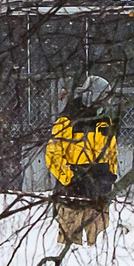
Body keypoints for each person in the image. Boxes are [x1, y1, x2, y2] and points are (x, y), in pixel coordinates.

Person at [44, 75, 119, 246]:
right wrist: (70, 179)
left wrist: (109, 175)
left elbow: (112, 153)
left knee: (102, 247)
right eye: (103, 97)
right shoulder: (68, 120)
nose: (106, 102)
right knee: (68, 247)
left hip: (98, 195)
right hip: (72, 196)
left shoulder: (105, 122)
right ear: (92, 95)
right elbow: (53, 154)